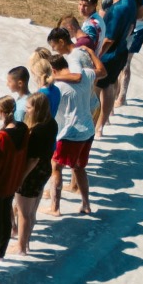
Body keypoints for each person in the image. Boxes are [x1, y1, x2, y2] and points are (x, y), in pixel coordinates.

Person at [49, 47, 99, 216]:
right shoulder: (87, 75)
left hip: (70, 132)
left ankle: (54, 207)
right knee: (79, 167)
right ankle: (86, 203)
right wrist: (92, 54)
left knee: (56, 166)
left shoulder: (58, 87)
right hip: (88, 129)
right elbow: (102, 72)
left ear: (54, 71)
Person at [94, 0, 139, 131]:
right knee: (110, 86)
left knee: (96, 91)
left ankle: (96, 126)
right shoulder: (131, 2)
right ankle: (102, 125)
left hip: (109, 56)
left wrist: (96, 55)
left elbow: (109, 39)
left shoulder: (116, 9)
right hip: (122, 53)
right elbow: (132, 26)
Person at [0, 96, 28, 263]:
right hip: (13, 181)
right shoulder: (24, 128)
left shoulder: (2, 136)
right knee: (5, 218)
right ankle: (0, 253)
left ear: (0, 112)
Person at [15, 91, 56, 255]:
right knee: (31, 211)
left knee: (24, 213)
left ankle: (21, 247)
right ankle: (26, 243)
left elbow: (32, 159)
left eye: (29, 107)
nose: (26, 110)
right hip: (45, 168)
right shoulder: (51, 123)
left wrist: (20, 178)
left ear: (37, 109)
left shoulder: (37, 130)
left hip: (33, 172)